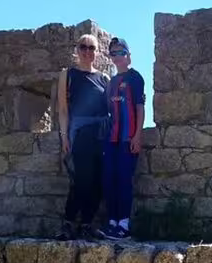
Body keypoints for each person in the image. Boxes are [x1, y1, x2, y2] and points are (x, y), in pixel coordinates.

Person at [56, 34, 110, 240]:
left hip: (102, 132)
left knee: (98, 180)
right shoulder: (67, 75)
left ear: (97, 52)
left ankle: (87, 224)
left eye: (92, 48)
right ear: (77, 50)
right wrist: (64, 137)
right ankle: (68, 223)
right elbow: (63, 109)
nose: (88, 51)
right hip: (80, 133)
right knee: (81, 179)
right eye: (83, 47)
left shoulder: (104, 78)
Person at [98, 37, 145, 240]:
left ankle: (124, 225)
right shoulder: (112, 82)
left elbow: (140, 108)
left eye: (120, 52)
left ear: (128, 55)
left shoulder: (135, 78)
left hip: (128, 138)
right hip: (112, 139)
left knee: (124, 180)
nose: (117, 56)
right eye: (113, 53)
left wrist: (137, 135)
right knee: (109, 179)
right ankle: (112, 222)